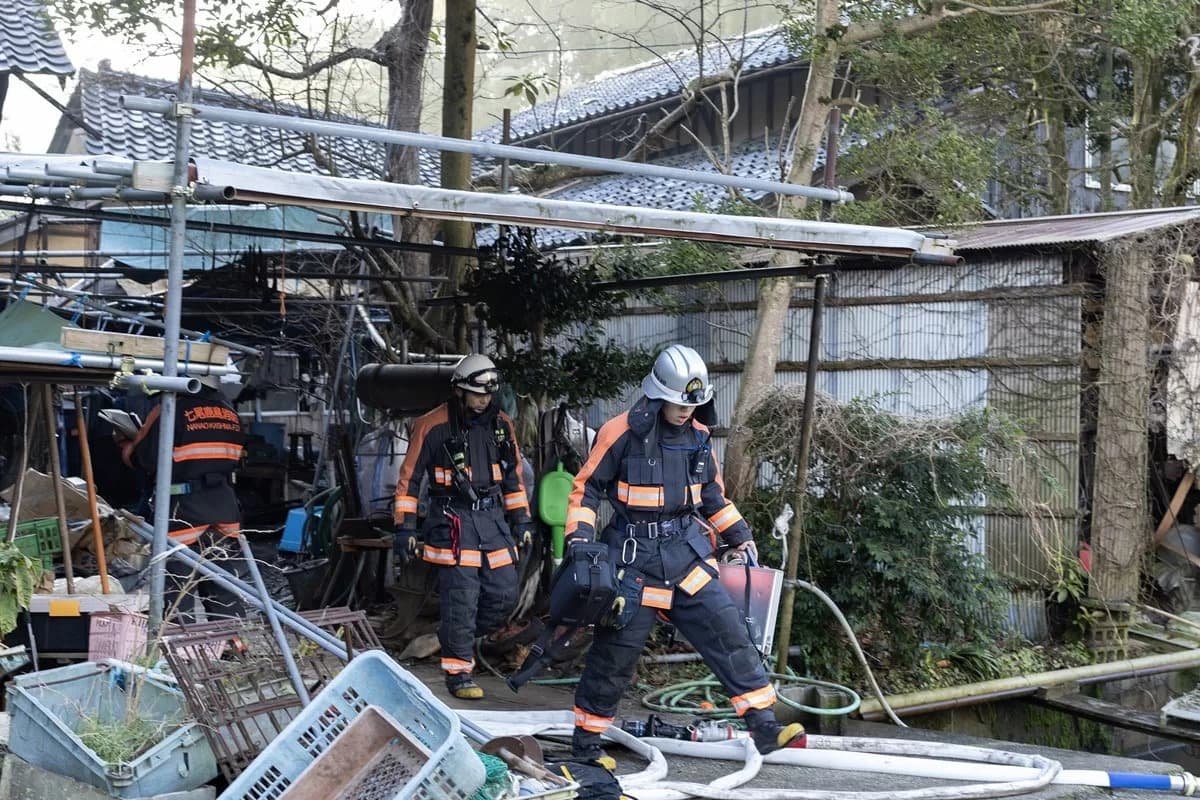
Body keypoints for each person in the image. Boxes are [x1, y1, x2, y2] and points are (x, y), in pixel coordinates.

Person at [563, 344, 806, 759]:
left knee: (728, 631)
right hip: (632, 562)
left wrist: (740, 536)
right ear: (657, 395)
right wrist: (580, 543)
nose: (685, 411)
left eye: (693, 404)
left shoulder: (698, 437)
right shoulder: (619, 433)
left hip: (685, 554)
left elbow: (713, 497)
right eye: (678, 403)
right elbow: (585, 490)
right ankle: (587, 745)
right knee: (614, 657)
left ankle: (764, 726)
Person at [393, 354, 533, 700]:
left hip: (493, 521)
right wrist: (405, 528)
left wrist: (522, 521)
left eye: (487, 394)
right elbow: (408, 481)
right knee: (461, 599)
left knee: (504, 594)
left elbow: (513, 478)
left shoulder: (502, 425)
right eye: (476, 393)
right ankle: (458, 673)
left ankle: (456, 638)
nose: (483, 400)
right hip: (452, 521)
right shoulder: (432, 425)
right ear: (459, 391)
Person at [115, 374, 247, 622]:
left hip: (184, 509)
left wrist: (127, 446)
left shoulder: (169, 409)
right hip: (223, 505)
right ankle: (232, 642)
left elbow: (146, 459)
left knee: (176, 582)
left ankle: (180, 647)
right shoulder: (229, 412)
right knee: (220, 577)